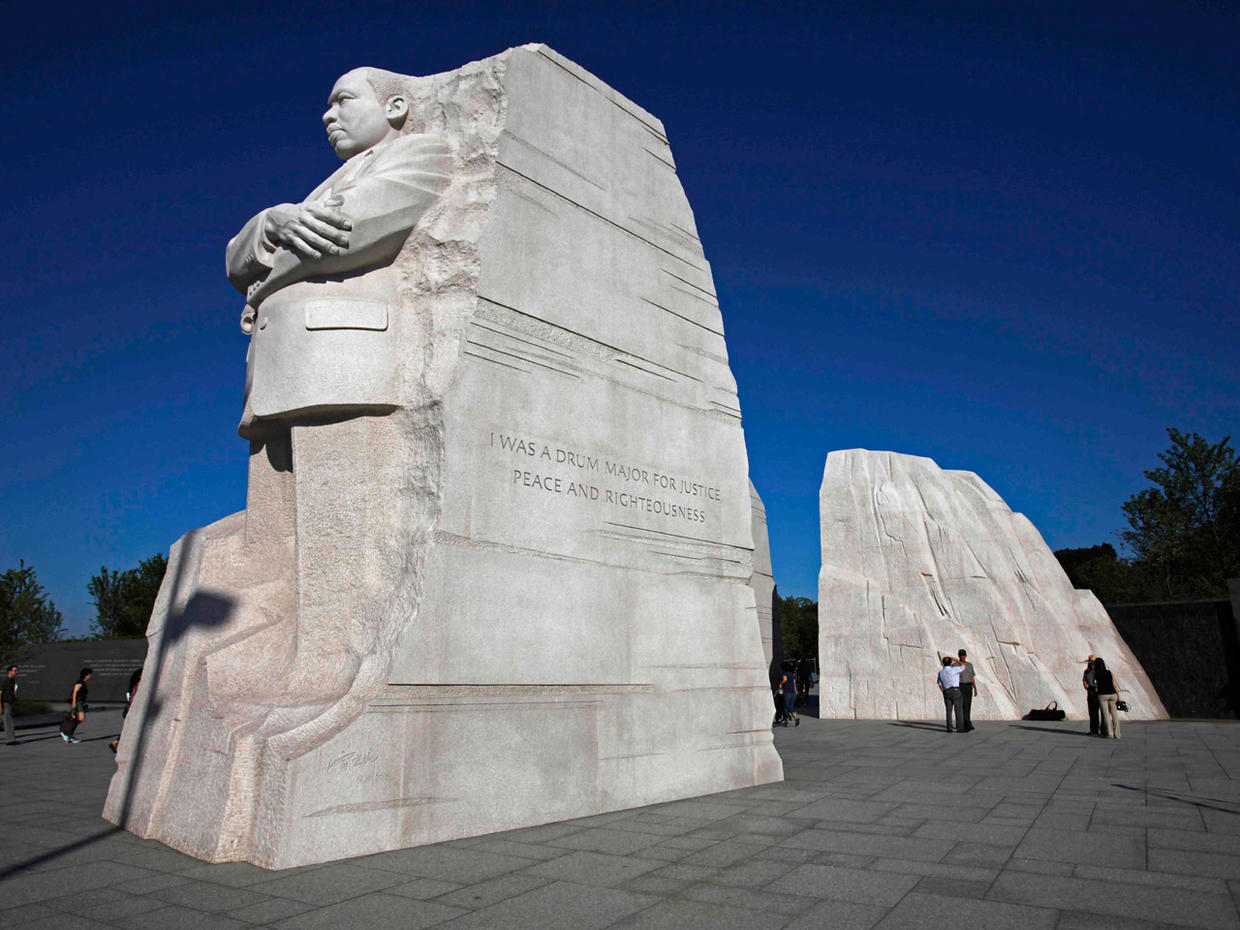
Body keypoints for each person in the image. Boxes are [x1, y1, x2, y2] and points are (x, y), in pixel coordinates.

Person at [62, 668, 92, 744]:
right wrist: (74, 704)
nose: (90, 676)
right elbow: (74, 693)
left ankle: (68, 734)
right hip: (78, 702)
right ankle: (66, 732)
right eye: (89, 674)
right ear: (86, 675)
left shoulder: (83, 683)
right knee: (80, 718)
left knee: (77, 719)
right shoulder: (80, 683)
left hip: (80, 702)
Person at [1094, 656, 1120, 739]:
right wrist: (1119, 697)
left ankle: (1109, 733)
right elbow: (1115, 685)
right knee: (1114, 715)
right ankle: (1117, 734)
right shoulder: (1110, 673)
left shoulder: (1096, 674)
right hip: (1112, 694)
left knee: (1106, 715)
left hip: (1102, 695)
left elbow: (1096, 686)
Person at [937, 656, 964, 733]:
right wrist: (957, 660)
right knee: (958, 709)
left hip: (947, 691)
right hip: (955, 690)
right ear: (950, 662)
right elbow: (963, 666)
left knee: (948, 711)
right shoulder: (954, 669)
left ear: (943, 663)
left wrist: (944, 691)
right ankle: (960, 728)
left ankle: (949, 728)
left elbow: (939, 684)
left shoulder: (941, 672)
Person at [956, 649, 977, 732]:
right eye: (960, 655)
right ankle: (963, 724)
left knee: (968, 705)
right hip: (960, 686)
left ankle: (968, 722)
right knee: (962, 705)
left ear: (966, 655)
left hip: (969, 686)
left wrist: (975, 688)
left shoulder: (970, 665)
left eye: (963, 655)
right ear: (958, 656)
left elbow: (972, 677)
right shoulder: (955, 665)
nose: (962, 657)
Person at [1083, 655, 1101, 736]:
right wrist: (1087, 686)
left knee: (1097, 713)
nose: (1092, 665)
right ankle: (1093, 730)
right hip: (1090, 692)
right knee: (1092, 712)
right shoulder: (1086, 672)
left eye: (1093, 663)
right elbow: (1084, 682)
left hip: (1098, 693)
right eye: (1091, 664)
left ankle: (1098, 730)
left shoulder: (1099, 671)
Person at [781, 661, 800, 726]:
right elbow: (794, 683)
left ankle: (794, 718)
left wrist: (780, 684)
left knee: (787, 706)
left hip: (787, 692)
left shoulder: (784, 673)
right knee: (790, 706)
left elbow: (785, 679)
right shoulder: (792, 674)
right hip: (793, 693)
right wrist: (796, 691)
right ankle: (787, 721)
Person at [2, 665, 18, 746]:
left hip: (9, 703)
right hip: (5, 703)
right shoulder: (5, 681)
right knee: (9, 722)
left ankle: (10, 739)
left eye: (16, 671)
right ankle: (10, 740)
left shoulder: (13, 681)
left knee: (8, 721)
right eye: (15, 671)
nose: (16, 672)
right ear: (9, 671)